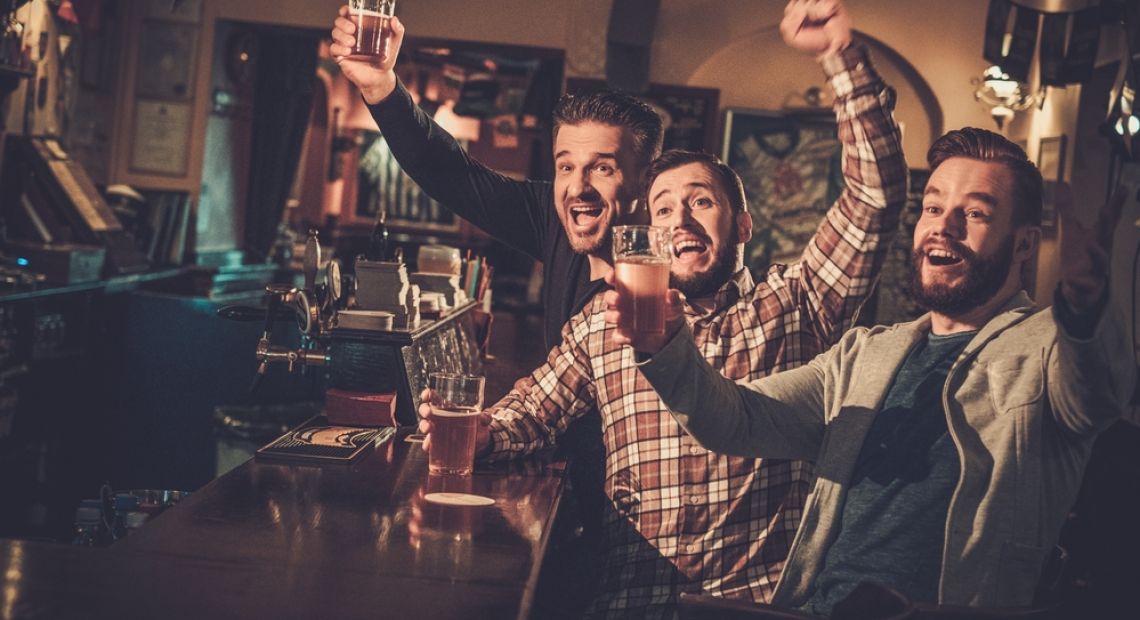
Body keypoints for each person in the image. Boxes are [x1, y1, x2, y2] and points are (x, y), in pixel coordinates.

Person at [419, 4, 907, 616]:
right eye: (664, 207)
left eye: (701, 201)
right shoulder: (606, 322)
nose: (680, 219)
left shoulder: (796, 304)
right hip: (631, 601)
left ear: (743, 224)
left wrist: (840, 56)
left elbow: (876, 195)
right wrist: (478, 430)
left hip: (753, 606)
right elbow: (528, 414)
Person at [619, 127, 1137, 617]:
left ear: (1024, 244)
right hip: (816, 611)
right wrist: (666, 347)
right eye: (933, 207)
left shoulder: (1048, 344)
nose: (944, 226)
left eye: (974, 213)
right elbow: (732, 419)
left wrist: (1086, 307)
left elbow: (1098, 389)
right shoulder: (866, 353)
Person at [330, 9, 664, 609]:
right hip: (578, 508)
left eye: (603, 168)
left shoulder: (672, 278)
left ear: (645, 183)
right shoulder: (554, 219)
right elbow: (453, 175)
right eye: (566, 166)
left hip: (645, 533)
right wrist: (380, 86)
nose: (578, 187)